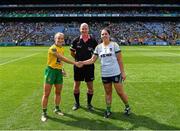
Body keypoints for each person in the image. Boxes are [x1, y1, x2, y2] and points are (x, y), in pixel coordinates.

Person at [81, 28, 131, 118]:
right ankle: (108, 110)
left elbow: (120, 59)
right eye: (102, 34)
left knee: (120, 92)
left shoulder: (114, 45)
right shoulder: (98, 47)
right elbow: (92, 60)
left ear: (109, 35)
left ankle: (127, 107)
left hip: (116, 73)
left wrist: (123, 72)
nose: (104, 35)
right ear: (101, 36)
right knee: (108, 93)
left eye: (106, 34)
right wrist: (82, 62)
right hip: (105, 74)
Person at [41, 32, 82, 122]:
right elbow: (61, 57)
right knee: (46, 93)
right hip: (51, 71)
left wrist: (62, 69)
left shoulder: (62, 48)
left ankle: (57, 109)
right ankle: (44, 113)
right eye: (58, 38)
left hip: (58, 72)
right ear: (55, 39)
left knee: (58, 92)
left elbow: (60, 61)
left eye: (62, 38)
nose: (60, 40)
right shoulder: (53, 48)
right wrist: (75, 63)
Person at [70, 23, 98, 111]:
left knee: (90, 87)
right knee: (76, 86)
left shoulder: (93, 40)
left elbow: (96, 53)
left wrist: (89, 61)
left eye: (85, 28)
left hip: (89, 67)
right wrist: (77, 59)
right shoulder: (75, 40)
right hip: (78, 66)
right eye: (82, 29)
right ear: (80, 29)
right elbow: (71, 52)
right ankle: (77, 103)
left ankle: (89, 104)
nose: (84, 30)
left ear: (88, 29)